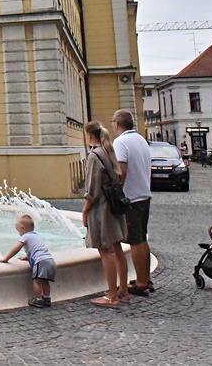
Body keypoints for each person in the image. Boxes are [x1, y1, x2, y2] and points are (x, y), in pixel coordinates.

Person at [82, 121, 129, 307]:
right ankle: (123, 291)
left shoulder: (94, 156)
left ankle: (111, 296)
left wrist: (85, 211)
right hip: (113, 207)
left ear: (89, 135)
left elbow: (92, 191)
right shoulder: (108, 152)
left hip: (102, 209)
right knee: (117, 249)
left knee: (105, 250)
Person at [112, 108, 154, 295]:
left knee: (135, 241)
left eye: (113, 122)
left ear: (117, 123)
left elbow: (121, 171)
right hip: (144, 194)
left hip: (131, 198)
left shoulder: (121, 142)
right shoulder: (141, 140)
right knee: (142, 238)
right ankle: (145, 278)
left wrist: (116, 193)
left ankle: (142, 283)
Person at [0, 213, 56, 308]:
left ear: (23, 228)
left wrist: (6, 259)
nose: (19, 234)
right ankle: (46, 298)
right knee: (45, 281)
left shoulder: (25, 236)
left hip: (40, 261)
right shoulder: (36, 236)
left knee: (37, 281)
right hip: (49, 260)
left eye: (18, 231)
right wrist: (26, 257)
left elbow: (16, 249)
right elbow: (36, 249)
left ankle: (38, 300)